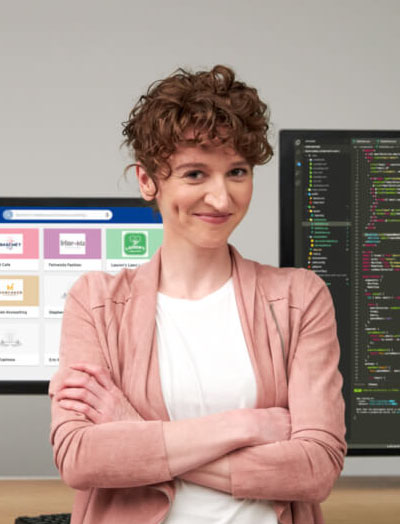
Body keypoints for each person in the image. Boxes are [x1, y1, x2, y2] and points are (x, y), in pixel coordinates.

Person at [49, 65, 347, 524]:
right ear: (148, 180)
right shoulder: (96, 301)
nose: (222, 198)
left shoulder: (298, 298)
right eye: (194, 174)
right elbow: (81, 457)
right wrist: (244, 425)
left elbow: (315, 469)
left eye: (237, 172)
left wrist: (134, 433)